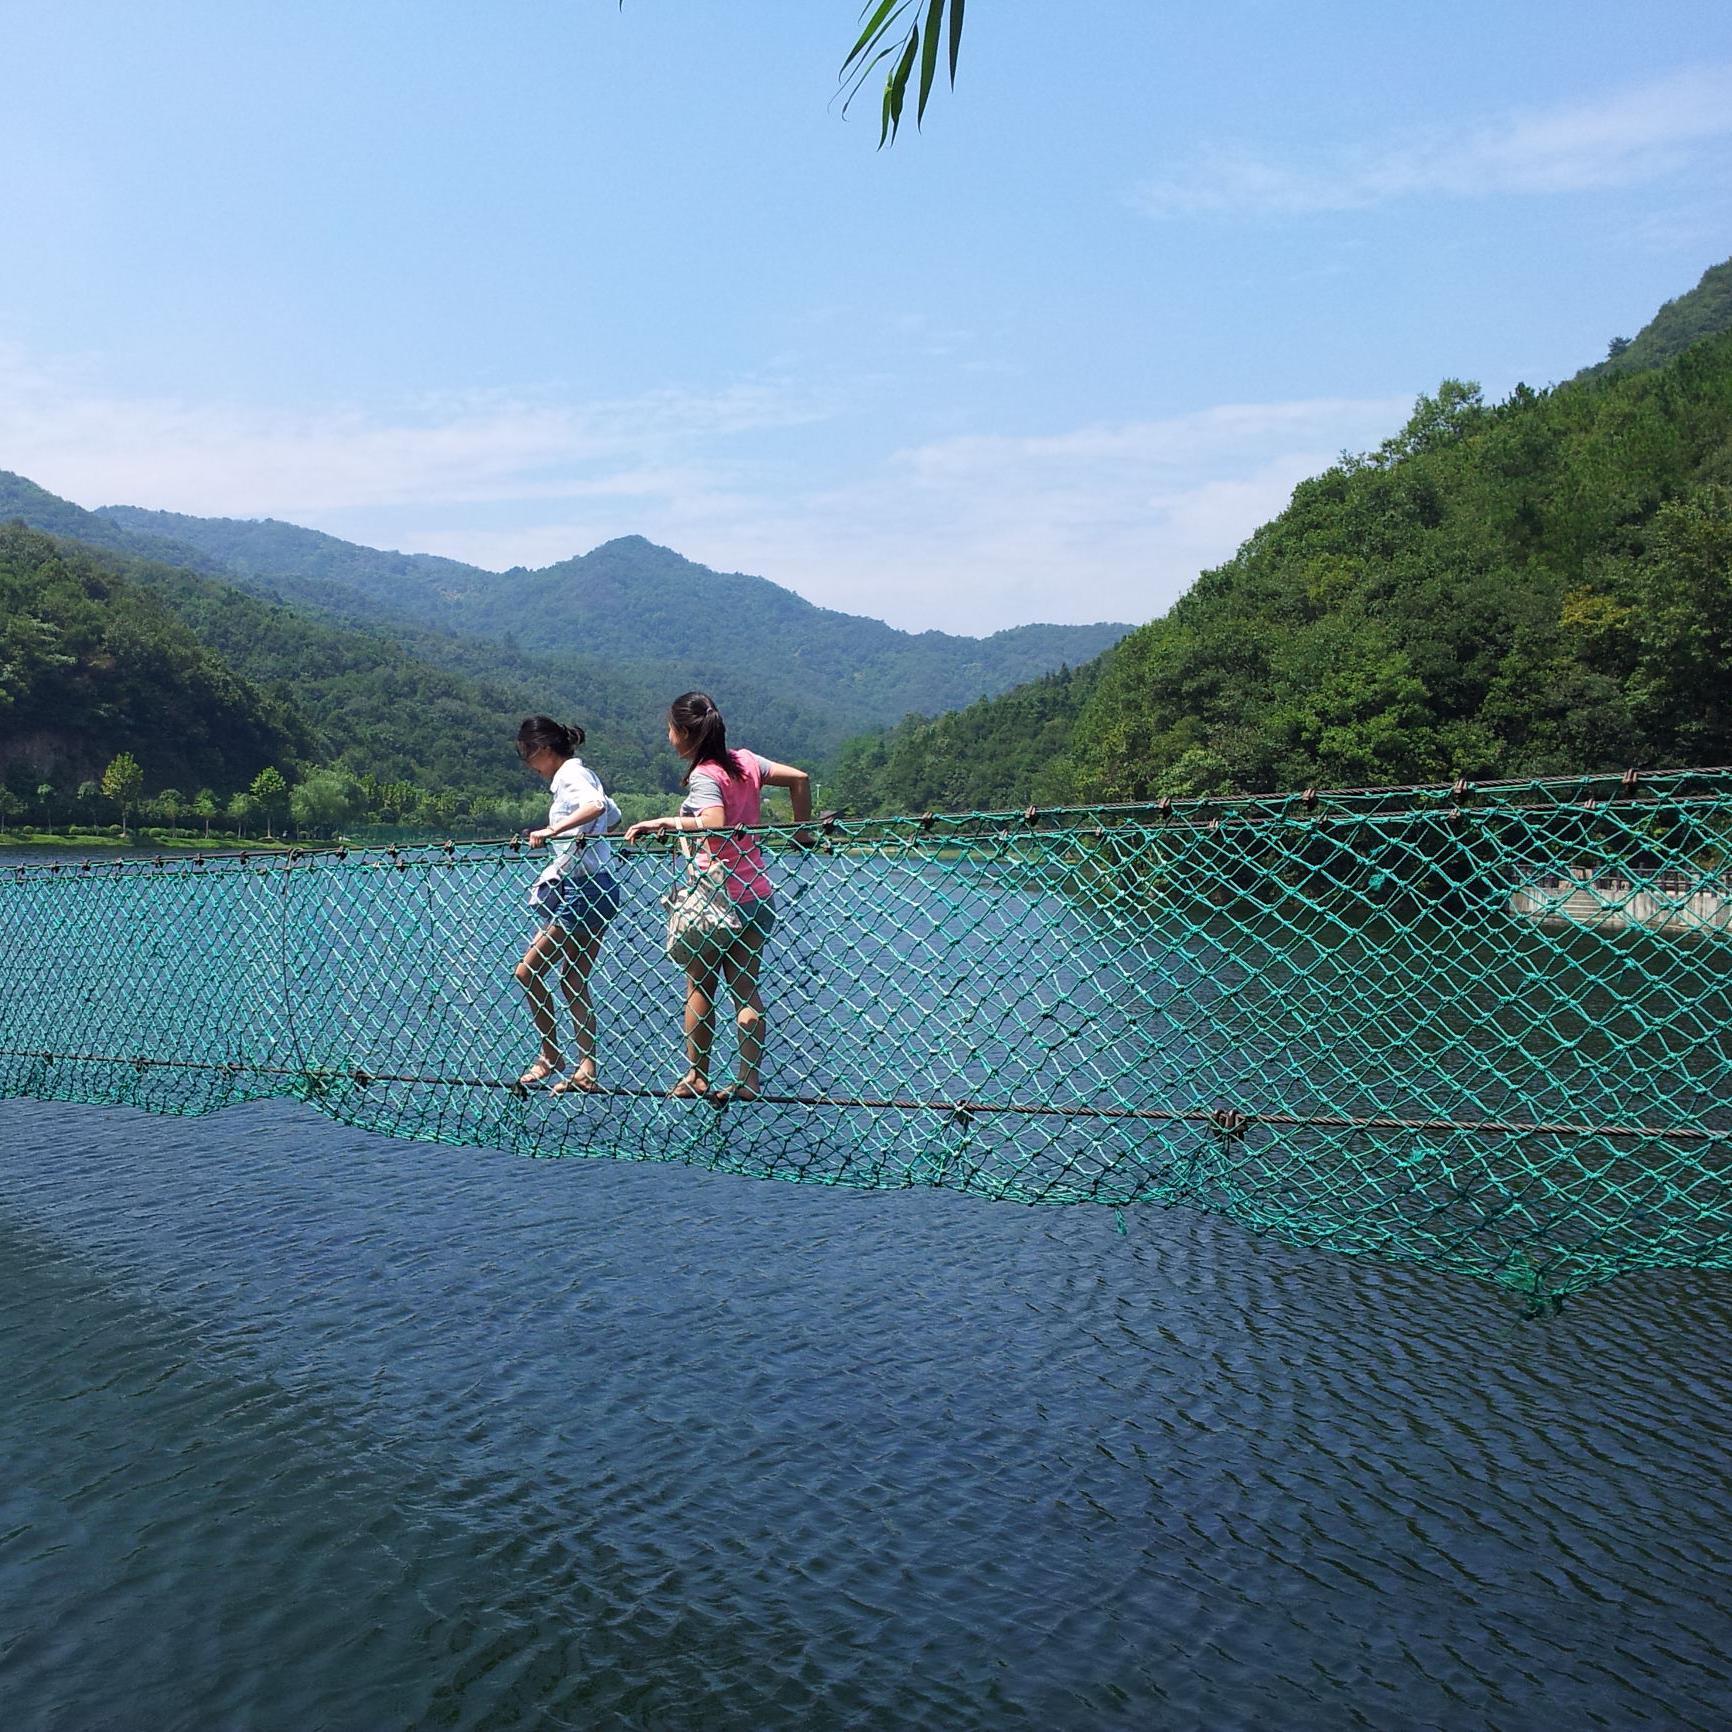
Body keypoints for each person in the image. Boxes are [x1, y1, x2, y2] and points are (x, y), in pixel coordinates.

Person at [623, 692, 811, 1102]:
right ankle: (748, 1080)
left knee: (700, 987)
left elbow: (715, 823)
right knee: (745, 988)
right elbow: (800, 779)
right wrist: (802, 832)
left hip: (715, 898)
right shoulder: (746, 760)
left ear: (686, 733)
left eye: (670, 729)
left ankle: (697, 1075)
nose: (668, 736)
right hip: (757, 894)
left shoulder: (705, 774)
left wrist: (665, 821)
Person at [514, 716, 622, 1094]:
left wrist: (552, 830)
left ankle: (551, 1055)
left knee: (528, 972)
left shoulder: (571, 777)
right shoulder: (579, 775)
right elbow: (612, 813)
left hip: (583, 891)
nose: (528, 764)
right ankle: (586, 1070)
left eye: (527, 754)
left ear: (542, 749)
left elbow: (595, 806)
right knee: (573, 979)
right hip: (599, 887)